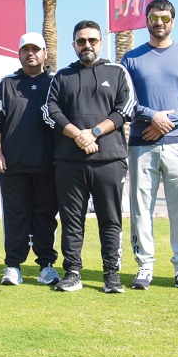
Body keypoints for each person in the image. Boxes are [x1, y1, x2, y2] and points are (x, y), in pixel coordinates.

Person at [121, 0, 178, 290]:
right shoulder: (131, 59)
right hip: (141, 144)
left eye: (165, 18)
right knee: (140, 207)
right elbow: (125, 101)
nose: (159, 22)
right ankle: (145, 267)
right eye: (154, 17)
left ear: (173, 21)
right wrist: (151, 117)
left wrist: (167, 122)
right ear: (146, 20)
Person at [43, 21, 134, 294]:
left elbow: (125, 108)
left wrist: (93, 133)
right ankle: (72, 272)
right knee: (72, 219)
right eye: (81, 41)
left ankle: (111, 274)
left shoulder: (117, 72)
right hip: (69, 162)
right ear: (74, 45)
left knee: (110, 218)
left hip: (109, 159)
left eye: (92, 40)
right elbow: (50, 111)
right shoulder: (62, 76)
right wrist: (77, 135)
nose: (87, 45)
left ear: (100, 42)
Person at [0, 32, 58, 286]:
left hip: (48, 165)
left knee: (45, 217)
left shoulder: (56, 82)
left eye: (36, 49)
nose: (31, 53)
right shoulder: (5, 84)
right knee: (15, 216)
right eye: (25, 49)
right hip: (13, 165)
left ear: (45, 53)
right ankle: (12, 266)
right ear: (19, 54)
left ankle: (46, 266)